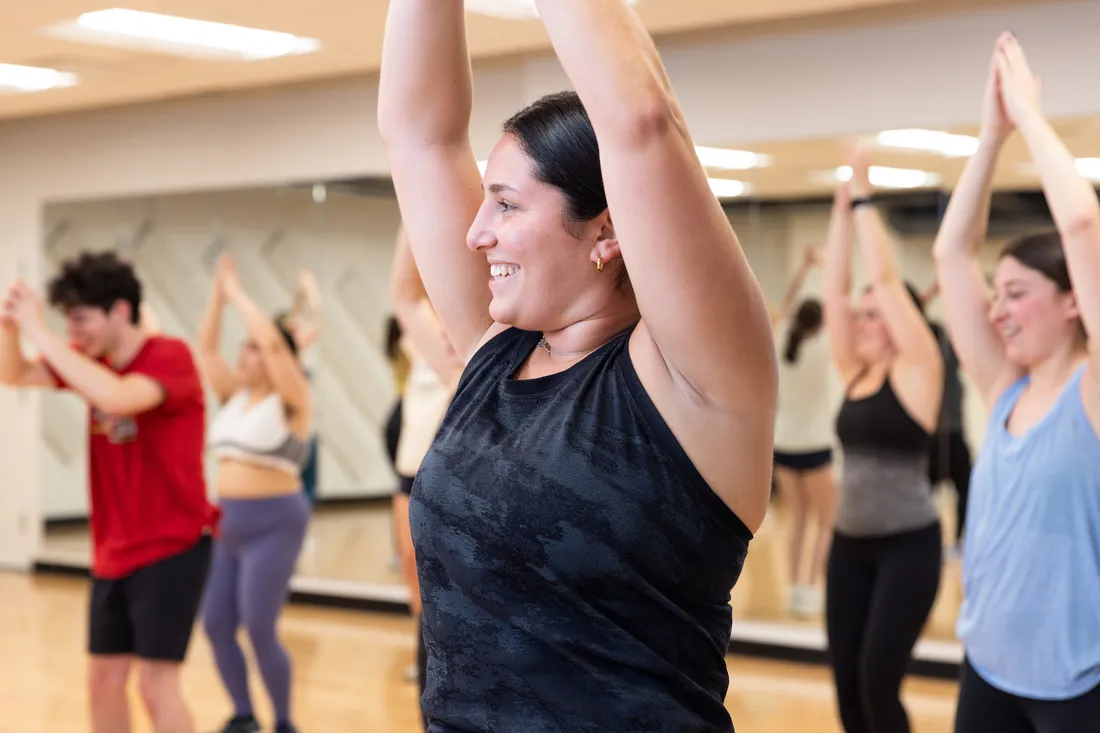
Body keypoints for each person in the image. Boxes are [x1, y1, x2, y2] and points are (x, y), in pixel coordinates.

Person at [377, 0, 778, 730]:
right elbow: (420, 136)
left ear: (606, 229)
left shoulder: (694, 382)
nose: (475, 232)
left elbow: (639, 119)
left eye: (504, 205)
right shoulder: (494, 356)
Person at [933, 33, 1100, 731]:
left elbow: (1084, 221)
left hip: (1077, 680)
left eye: (1016, 293)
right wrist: (990, 136)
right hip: (988, 666)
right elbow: (950, 250)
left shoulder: (1091, 393)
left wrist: (1031, 115)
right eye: (993, 294)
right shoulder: (1003, 383)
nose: (996, 311)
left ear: (1071, 301)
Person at [0, 251, 217, 733]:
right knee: (102, 678)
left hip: (172, 545)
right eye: (67, 322)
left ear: (120, 310)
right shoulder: (86, 361)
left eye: (80, 320)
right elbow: (14, 374)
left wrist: (41, 332)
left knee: (155, 684)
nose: (74, 334)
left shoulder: (170, 357)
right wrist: (13, 328)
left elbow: (118, 397)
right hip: (113, 549)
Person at [821, 147, 945, 733]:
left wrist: (868, 198)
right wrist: (842, 209)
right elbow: (834, 289)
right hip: (849, 546)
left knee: (877, 681)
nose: (864, 322)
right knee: (846, 683)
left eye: (878, 315)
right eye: (862, 315)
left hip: (907, 547)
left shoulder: (918, 371)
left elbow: (889, 283)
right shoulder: (856, 371)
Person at [198, 254, 312, 733]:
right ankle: (243, 715)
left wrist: (242, 296)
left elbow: (271, 341)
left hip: (274, 522)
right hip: (227, 523)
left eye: (252, 348)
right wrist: (218, 297)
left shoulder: (294, 399)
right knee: (216, 625)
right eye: (242, 349)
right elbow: (205, 351)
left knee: (259, 627)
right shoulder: (235, 397)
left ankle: (283, 722)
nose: (245, 355)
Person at [389, 226, 463, 726]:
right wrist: (412, 207)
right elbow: (403, 295)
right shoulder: (445, 349)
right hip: (415, 476)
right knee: (423, 600)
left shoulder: (477, 355)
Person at [770, 244, 838, 618]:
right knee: (826, 520)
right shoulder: (822, 346)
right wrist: (825, 266)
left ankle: (795, 587)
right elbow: (835, 303)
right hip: (814, 444)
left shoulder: (783, 341)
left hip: (784, 444)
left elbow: (785, 302)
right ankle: (813, 588)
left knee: (797, 520)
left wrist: (803, 267)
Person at [920, 282, 973, 557]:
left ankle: (955, 542)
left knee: (965, 490)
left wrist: (934, 293)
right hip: (935, 437)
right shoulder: (931, 360)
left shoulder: (948, 358)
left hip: (948, 436)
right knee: (931, 494)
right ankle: (944, 543)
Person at [275, 269, 322, 506]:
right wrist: (313, 294)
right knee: (294, 488)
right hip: (292, 434)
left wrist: (300, 295)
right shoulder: (286, 357)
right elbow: (316, 319)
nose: (298, 329)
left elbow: (298, 316)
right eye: (293, 328)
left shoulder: (297, 354)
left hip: (308, 432)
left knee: (308, 489)